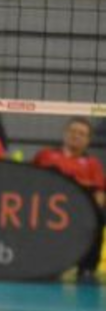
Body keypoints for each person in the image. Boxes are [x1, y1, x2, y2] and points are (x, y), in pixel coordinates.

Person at [34, 117, 106, 281]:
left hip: (78, 213)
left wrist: (92, 214)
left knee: (98, 219)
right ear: (65, 133)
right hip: (46, 211)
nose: (76, 136)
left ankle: (87, 269)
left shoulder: (92, 164)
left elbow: (100, 194)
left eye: (81, 134)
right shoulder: (46, 155)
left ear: (88, 140)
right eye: (73, 131)